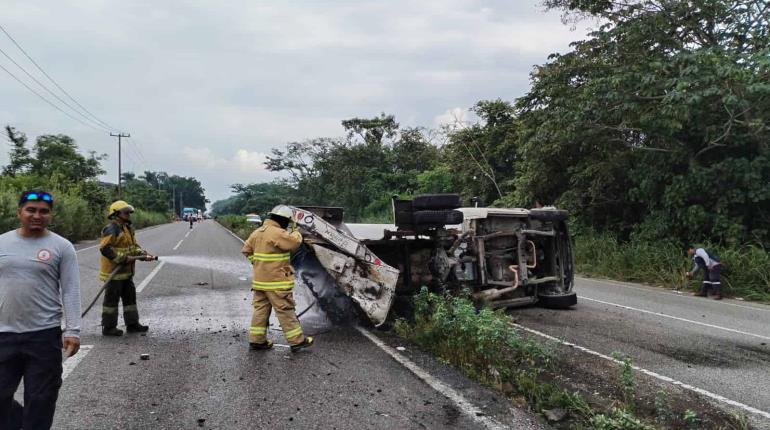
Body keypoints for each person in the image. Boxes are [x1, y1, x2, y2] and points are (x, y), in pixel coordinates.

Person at [0, 190, 81, 430]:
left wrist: (73, 330)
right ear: (19, 212)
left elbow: (70, 290)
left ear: (50, 215)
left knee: (41, 400)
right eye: (31, 210)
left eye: (44, 211)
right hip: (4, 335)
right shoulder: (2, 242)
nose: (37, 215)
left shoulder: (62, 247)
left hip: (43, 336)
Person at [242, 205, 313, 352]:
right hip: (276, 282)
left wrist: (258, 263)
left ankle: (257, 341)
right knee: (285, 310)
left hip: (260, 282)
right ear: (284, 220)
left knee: (260, 310)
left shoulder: (258, 232)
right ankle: (297, 341)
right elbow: (294, 243)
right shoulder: (277, 233)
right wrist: (296, 232)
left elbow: (246, 250)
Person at [99, 200, 156, 336]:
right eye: (125, 212)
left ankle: (132, 324)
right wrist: (123, 258)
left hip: (126, 272)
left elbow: (133, 246)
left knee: (130, 299)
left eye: (129, 212)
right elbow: (105, 248)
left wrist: (142, 254)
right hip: (114, 273)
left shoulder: (127, 228)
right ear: (116, 214)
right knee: (111, 302)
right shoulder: (111, 229)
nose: (128, 214)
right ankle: (108, 327)